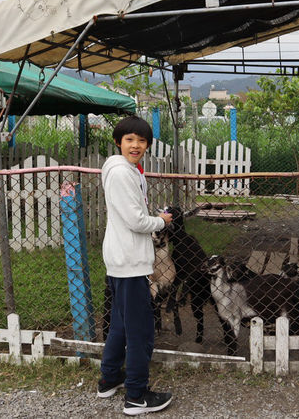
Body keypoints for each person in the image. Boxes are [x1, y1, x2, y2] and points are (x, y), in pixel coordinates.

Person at [97, 115, 174, 415]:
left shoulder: (124, 170)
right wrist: (161, 221)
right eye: (130, 139)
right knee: (141, 331)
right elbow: (136, 221)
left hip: (121, 258)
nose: (136, 145)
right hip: (130, 261)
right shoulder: (121, 173)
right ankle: (137, 396)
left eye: (142, 141)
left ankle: (109, 377)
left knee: (119, 324)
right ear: (118, 141)